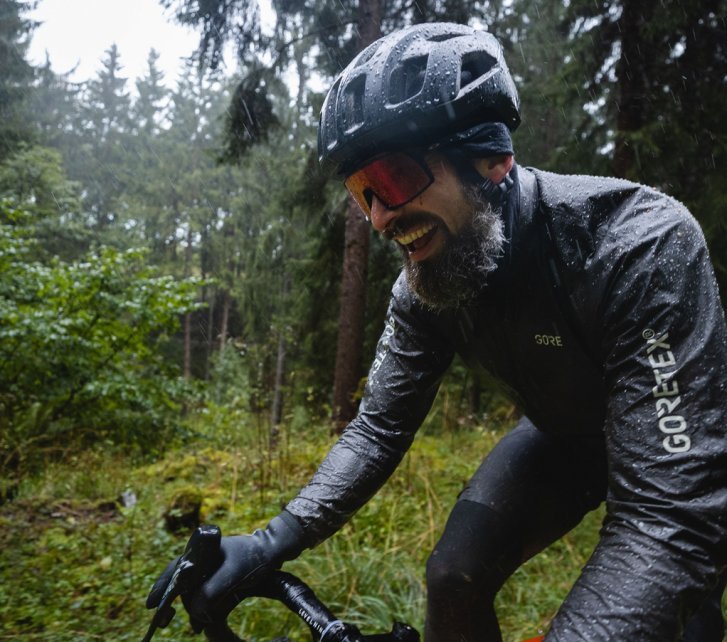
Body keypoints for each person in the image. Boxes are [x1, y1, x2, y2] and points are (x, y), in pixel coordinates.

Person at [148, 22, 727, 640]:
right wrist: (270, 542)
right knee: (453, 576)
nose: (379, 217)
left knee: (682, 611)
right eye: (362, 191)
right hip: (569, 436)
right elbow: (378, 429)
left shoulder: (636, 242)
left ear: (492, 160)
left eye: (394, 179)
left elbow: (667, 517)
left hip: (682, 448)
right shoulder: (427, 285)